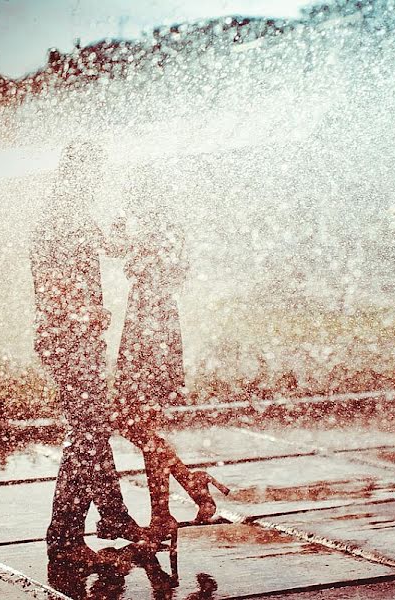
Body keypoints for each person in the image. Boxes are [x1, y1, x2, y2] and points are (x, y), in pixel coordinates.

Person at [30, 141, 148, 566]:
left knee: (91, 431)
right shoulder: (60, 217)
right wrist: (85, 311)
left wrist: (126, 232)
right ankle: (66, 538)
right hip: (69, 339)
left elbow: (113, 248)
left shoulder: (72, 212)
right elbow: (50, 283)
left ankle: (112, 517)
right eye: (95, 174)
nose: (99, 183)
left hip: (76, 339)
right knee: (86, 435)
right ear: (80, 175)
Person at [108, 194, 229, 549]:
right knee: (140, 426)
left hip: (147, 334)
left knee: (135, 424)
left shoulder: (150, 237)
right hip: (155, 333)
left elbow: (112, 246)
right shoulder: (165, 235)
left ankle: (168, 509)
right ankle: (187, 489)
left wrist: (117, 224)